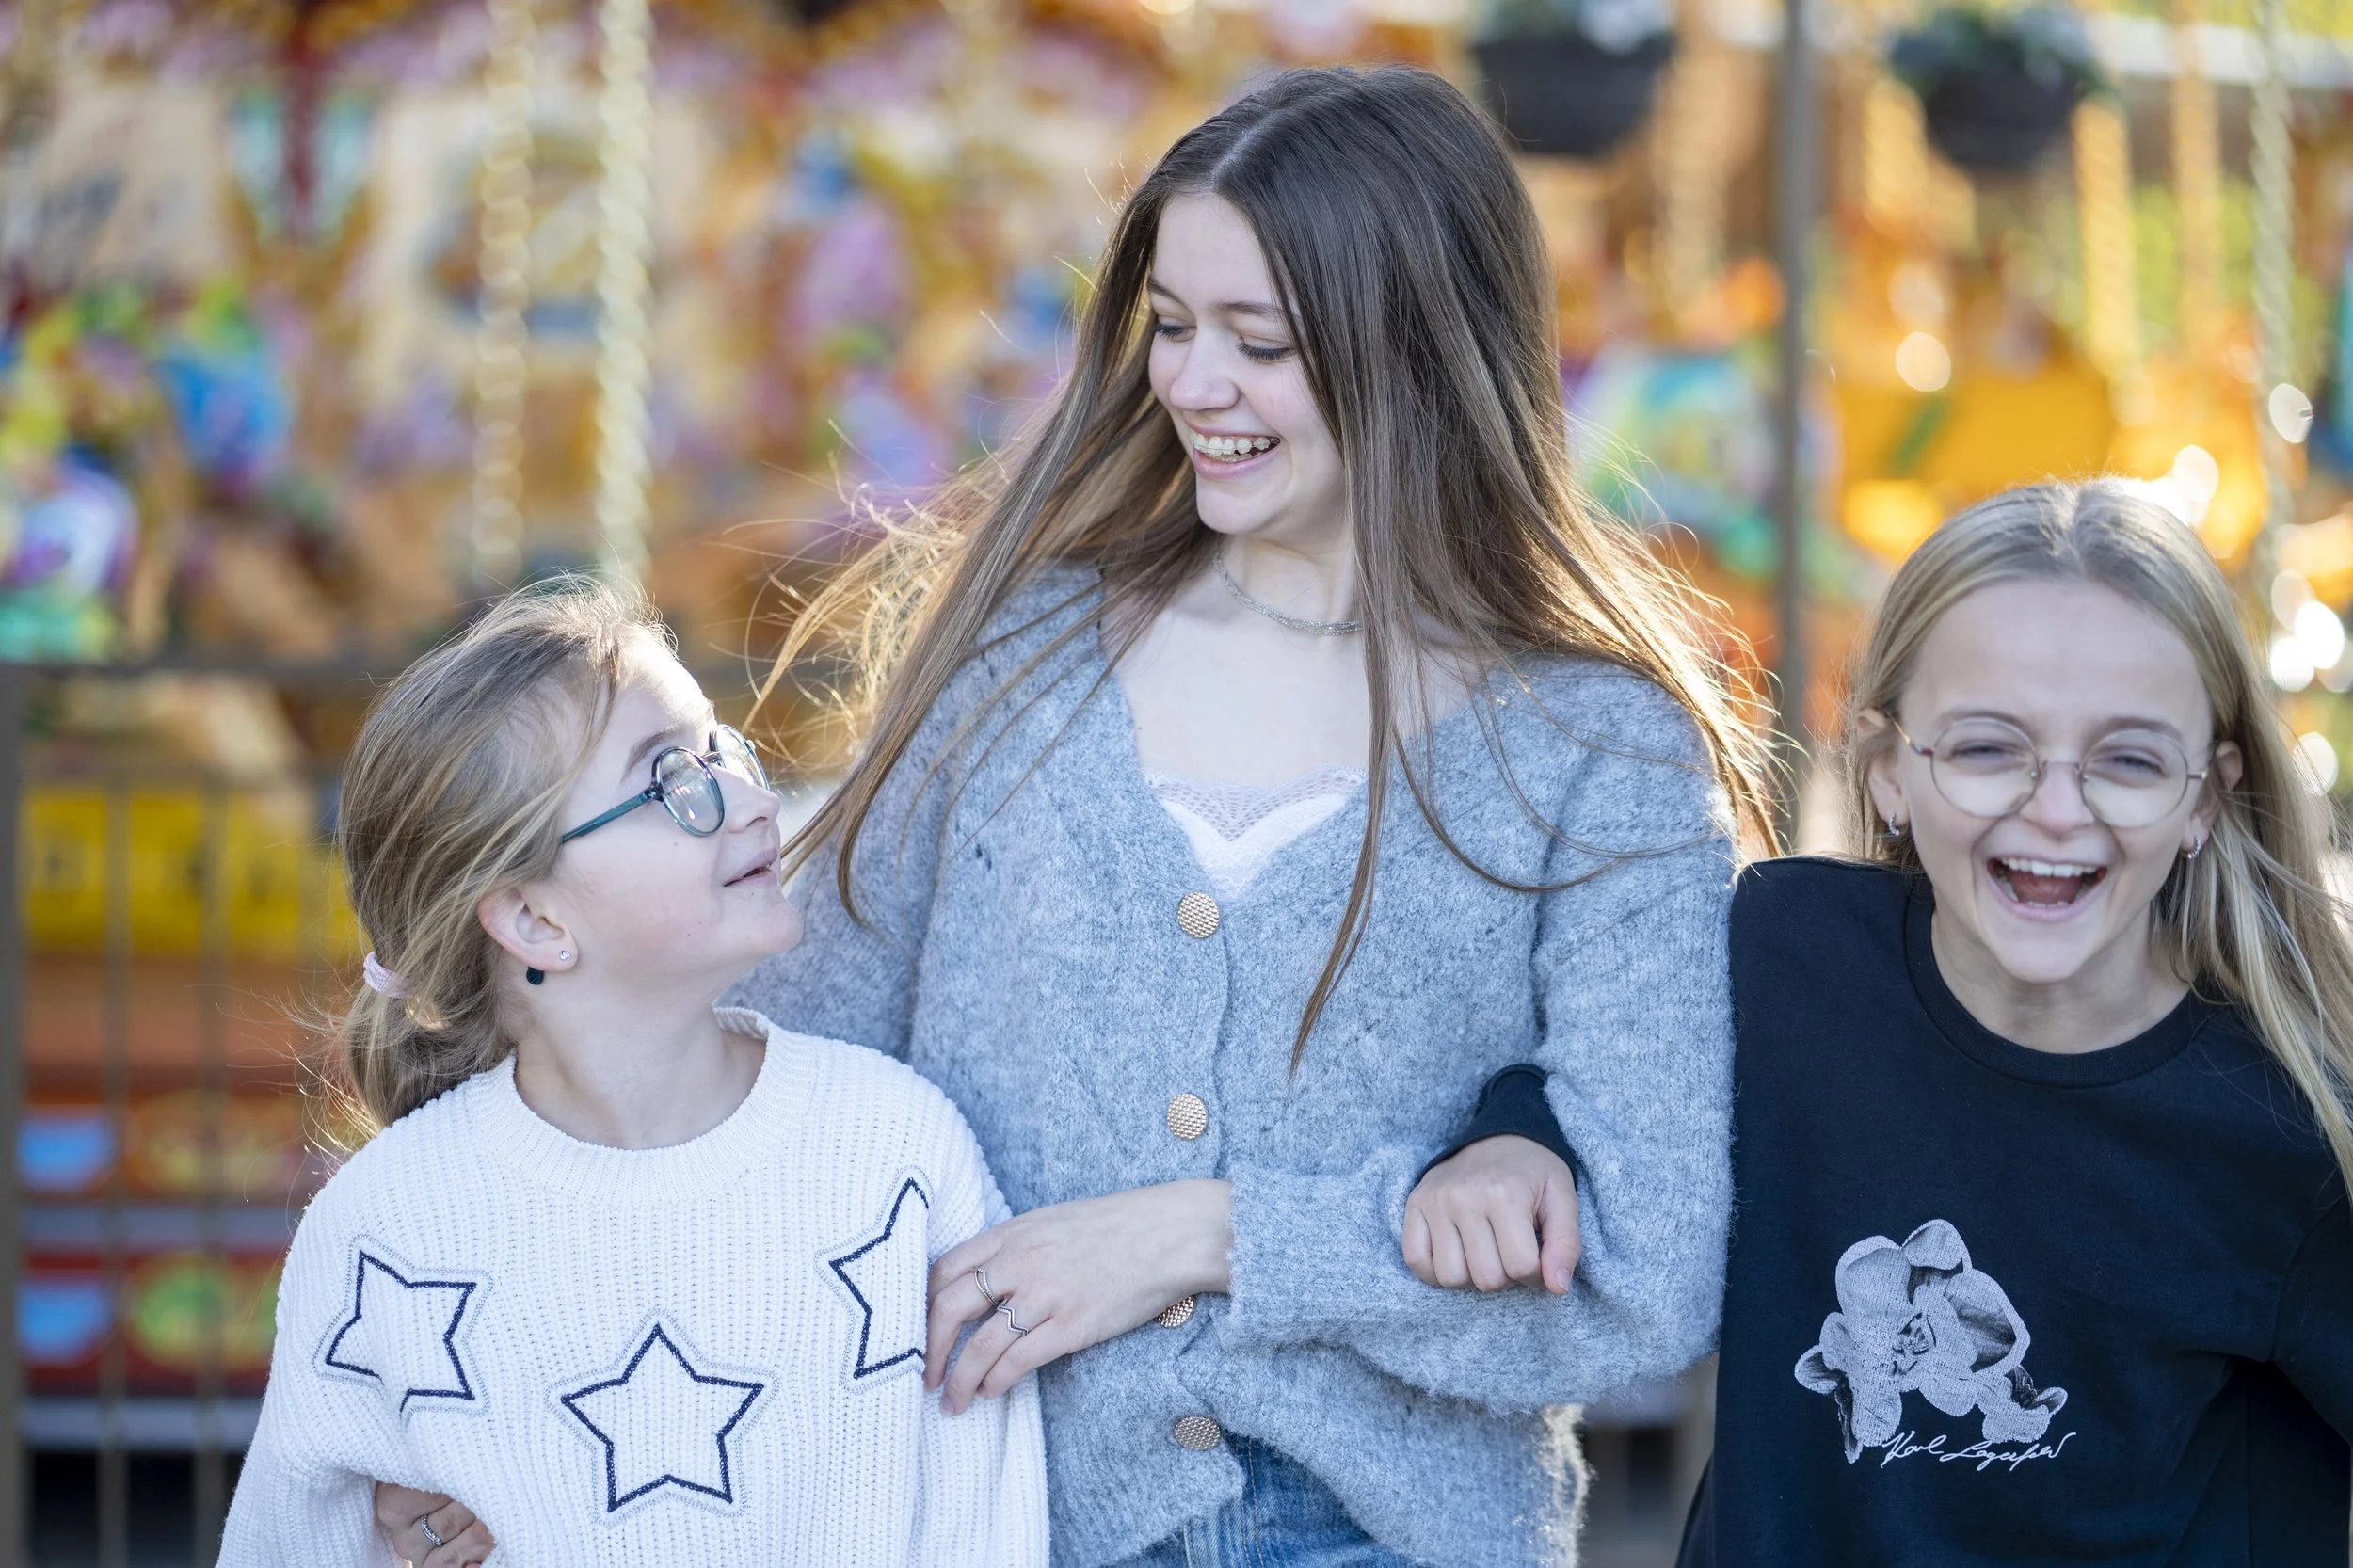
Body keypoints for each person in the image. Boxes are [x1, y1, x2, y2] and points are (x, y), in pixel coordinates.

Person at [382, 62, 1773, 1566]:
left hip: (1394, 1533)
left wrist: (1205, 1234)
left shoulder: (1600, 750)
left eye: (1263, 342)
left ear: (1424, 351)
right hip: (985, 1511)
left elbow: (1644, 1270)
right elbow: (763, 1072)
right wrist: (516, 1383)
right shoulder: (1020, 657)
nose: (1192, 385)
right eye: (1173, 327)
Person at [1408, 481, 2353, 1564]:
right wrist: (1512, 1138)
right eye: (1989, 747)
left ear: (2205, 800)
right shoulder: (1779, 959)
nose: (2055, 807)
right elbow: (1586, 1076)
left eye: (2128, 759)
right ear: (1889, 769)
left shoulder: (2289, 1124)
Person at [223, 579, 1047, 1565]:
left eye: (722, 748)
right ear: (536, 922)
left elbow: (986, 1516)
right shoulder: (378, 1231)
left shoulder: (896, 1149)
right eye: (672, 781)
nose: (749, 798)